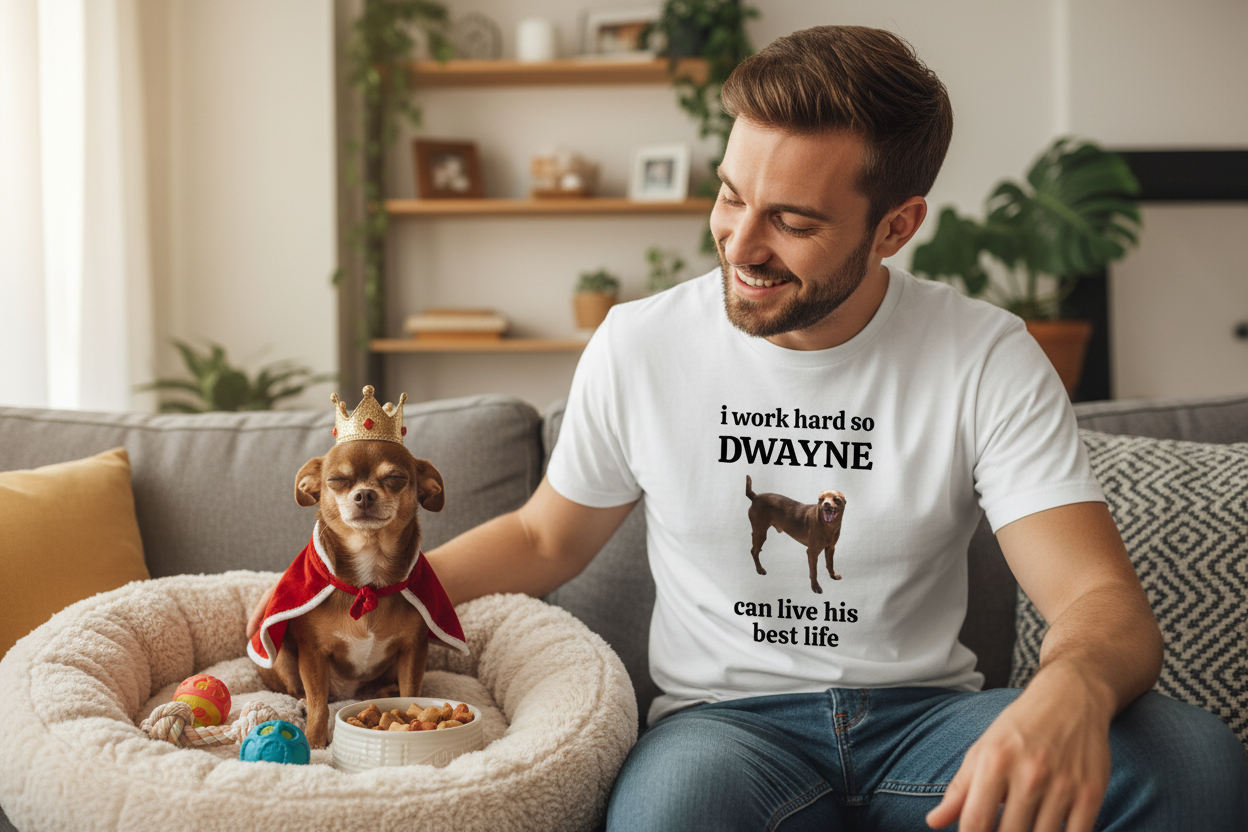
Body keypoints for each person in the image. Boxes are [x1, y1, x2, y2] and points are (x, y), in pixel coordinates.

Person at [250, 25, 1247, 831]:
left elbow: (1098, 596)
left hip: (932, 726)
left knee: (1195, 765)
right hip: (723, 734)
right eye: (731, 198)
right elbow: (549, 536)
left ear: (897, 226)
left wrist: (1070, 690)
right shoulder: (641, 343)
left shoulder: (982, 353)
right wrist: (342, 598)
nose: (741, 243)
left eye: (793, 223)